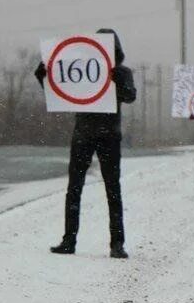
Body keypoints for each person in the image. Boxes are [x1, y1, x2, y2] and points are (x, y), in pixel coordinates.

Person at [35, 28, 137, 258]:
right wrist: (44, 76)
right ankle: (69, 240)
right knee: (75, 188)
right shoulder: (82, 70)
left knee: (112, 189)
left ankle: (117, 243)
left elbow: (130, 96)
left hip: (109, 136)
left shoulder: (121, 72)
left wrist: (119, 80)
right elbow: (62, 92)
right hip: (83, 134)